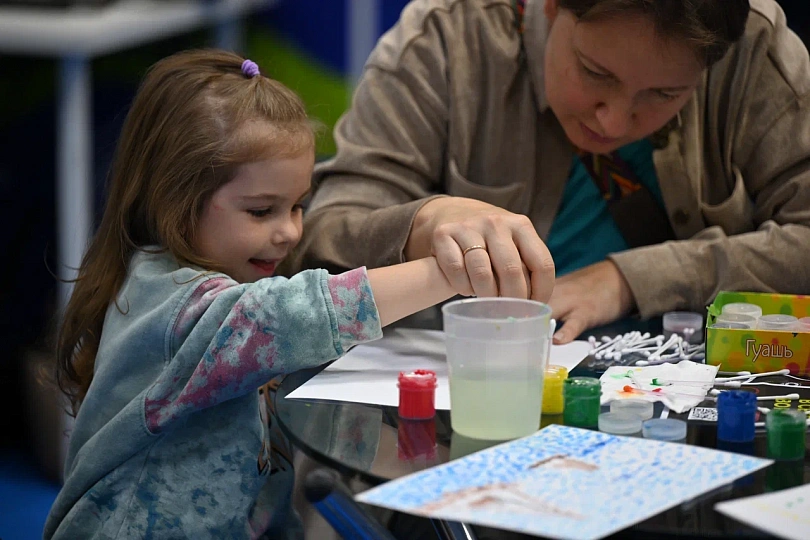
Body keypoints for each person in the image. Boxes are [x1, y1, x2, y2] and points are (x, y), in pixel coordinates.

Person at [44, 50, 471, 539]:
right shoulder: (174, 304)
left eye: (297, 206)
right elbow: (287, 319)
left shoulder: (225, 282)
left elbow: (261, 487)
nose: (290, 232)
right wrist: (449, 272)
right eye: (262, 210)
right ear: (175, 200)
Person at [292, 0, 810, 343]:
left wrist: (632, 280)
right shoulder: (447, 41)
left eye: (665, 95)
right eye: (595, 73)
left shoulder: (752, 45)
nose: (614, 118)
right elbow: (321, 234)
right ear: (551, 6)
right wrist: (429, 221)